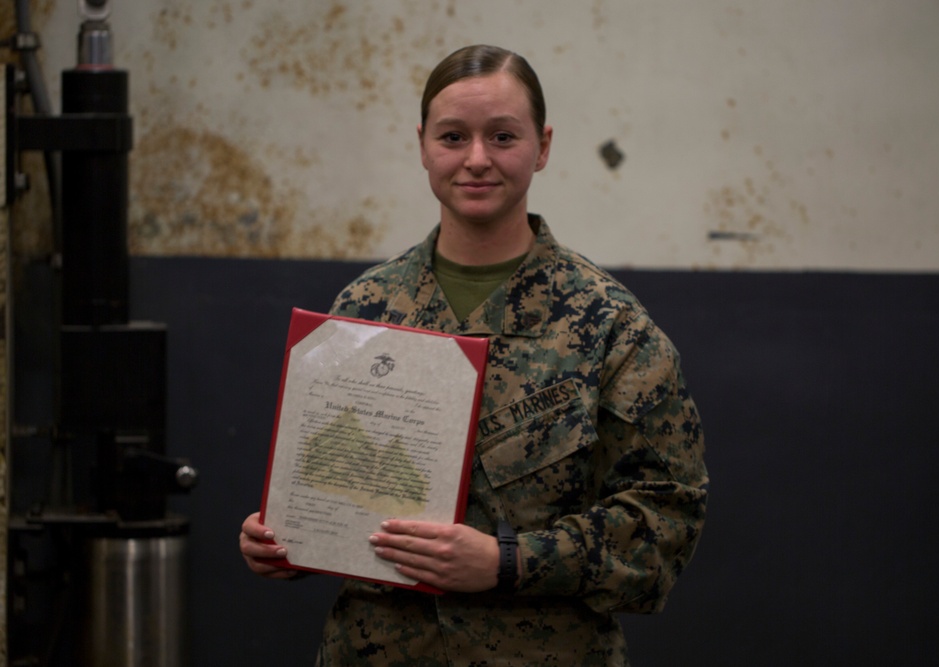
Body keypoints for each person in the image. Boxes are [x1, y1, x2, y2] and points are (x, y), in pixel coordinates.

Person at [240, 44, 708, 666]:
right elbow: (335, 495)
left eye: (503, 136)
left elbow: (663, 527)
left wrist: (507, 561)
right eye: (454, 136)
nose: (477, 159)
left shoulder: (608, 325)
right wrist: (287, 541)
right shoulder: (364, 308)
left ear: (542, 147)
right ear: (423, 145)